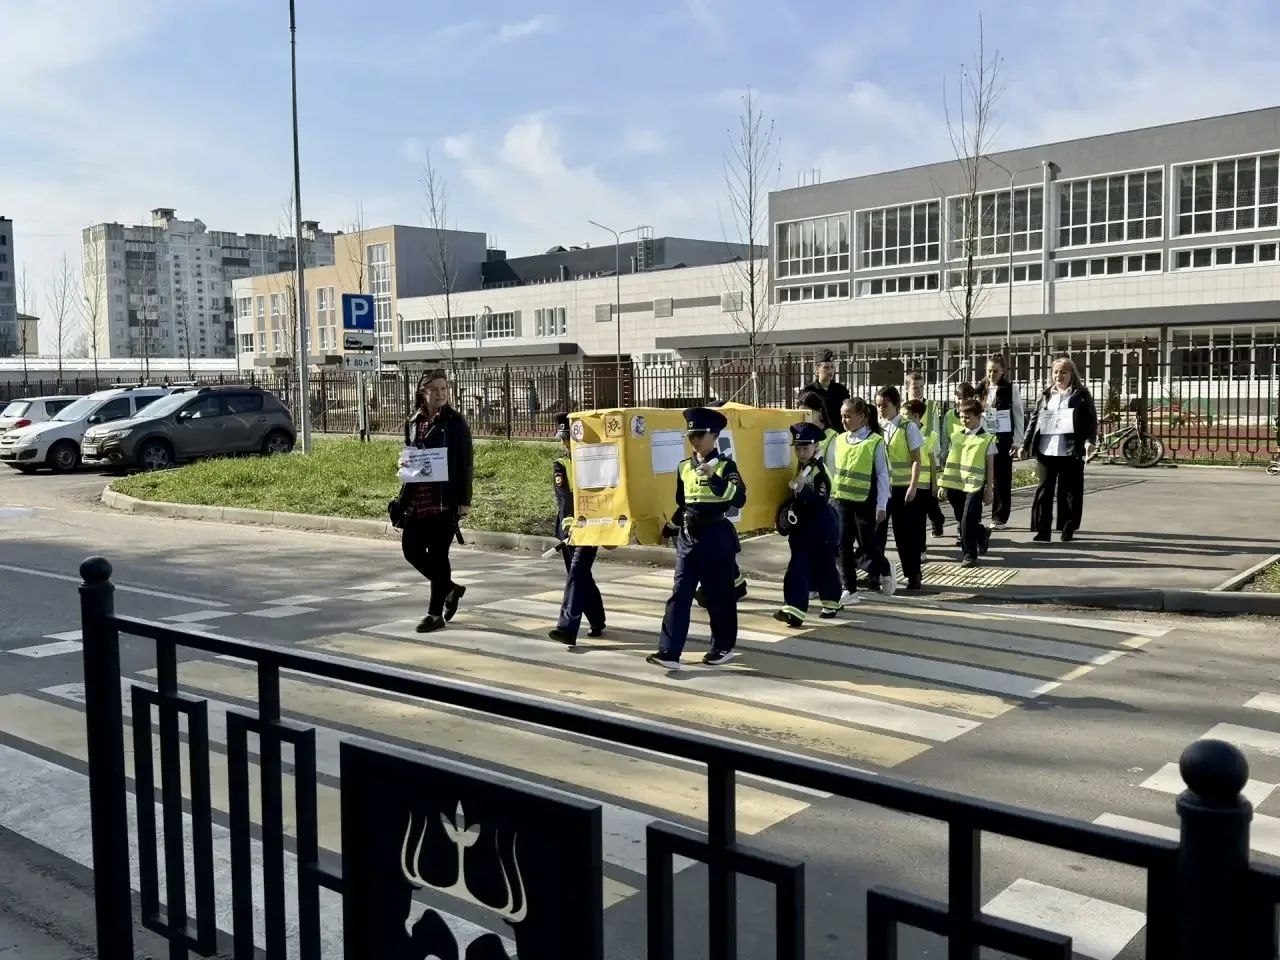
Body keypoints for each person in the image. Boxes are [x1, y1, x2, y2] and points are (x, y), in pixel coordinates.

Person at [648, 407, 746, 670]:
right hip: (688, 538)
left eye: (700, 435)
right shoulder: (683, 467)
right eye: (691, 435)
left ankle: (723, 646)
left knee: (719, 596)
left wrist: (714, 477)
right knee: (679, 594)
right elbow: (684, 505)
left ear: (714, 435)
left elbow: (738, 499)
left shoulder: (726, 466)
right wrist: (670, 527)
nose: (695, 440)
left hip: (716, 537)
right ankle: (669, 652)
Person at [397, 369, 473, 633]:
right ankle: (450, 588)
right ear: (422, 392)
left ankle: (434, 613)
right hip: (418, 499)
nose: (441, 394)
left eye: (444, 388)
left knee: (440, 556)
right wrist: (404, 464)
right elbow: (411, 456)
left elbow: (465, 462)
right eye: (435, 389)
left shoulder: (455, 422)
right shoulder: (414, 421)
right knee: (411, 551)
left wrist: (464, 500)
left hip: (444, 500)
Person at [1021, 356, 1098, 543]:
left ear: (1072, 374)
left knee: (1069, 492)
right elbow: (1034, 420)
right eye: (1056, 372)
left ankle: (1067, 527)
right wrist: (1025, 444)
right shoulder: (1046, 395)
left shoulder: (1081, 395)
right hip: (1046, 449)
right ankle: (1042, 530)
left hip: (1070, 450)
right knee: (1044, 491)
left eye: (1063, 371)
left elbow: (1090, 422)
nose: (1059, 375)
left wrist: (1089, 442)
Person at [775, 421, 841, 626]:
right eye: (798, 448)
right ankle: (793, 608)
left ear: (815, 447)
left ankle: (831, 601)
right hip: (802, 527)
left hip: (822, 526)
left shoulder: (819, 471)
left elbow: (821, 500)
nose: (801, 452)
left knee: (824, 566)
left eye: (805, 448)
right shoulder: (801, 467)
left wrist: (803, 490)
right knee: (798, 566)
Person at [548, 413, 606, 646]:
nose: (566, 444)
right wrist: (569, 523)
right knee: (582, 576)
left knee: (577, 573)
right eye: (563, 440)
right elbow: (564, 498)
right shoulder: (562, 464)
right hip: (568, 528)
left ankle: (567, 627)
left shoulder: (597, 460)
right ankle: (597, 620)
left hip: (590, 527)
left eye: (569, 439)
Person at [829, 397, 891, 605]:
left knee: (868, 545)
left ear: (862, 417)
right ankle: (849, 588)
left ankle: (884, 568)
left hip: (865, 502)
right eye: (842, 417)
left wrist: (882, 505)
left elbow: (883, 475)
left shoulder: (875, 442)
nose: (844, 421)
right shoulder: (838, 440)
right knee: (841, 544)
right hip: (841, 500)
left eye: (848, 416)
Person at [876, 386, 925, 592]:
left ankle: (913, 574)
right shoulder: (878, 428)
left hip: (903, 488)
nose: (881, 409)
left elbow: (916, 459)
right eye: (878, 405)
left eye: (884, 405)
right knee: (877, 532)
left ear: (896, 405)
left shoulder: (908, 427)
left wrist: (913, 485)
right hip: (883, 488)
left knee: (904, 534)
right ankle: (875, 572)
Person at [939, 398, 995, 568]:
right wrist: (944, 484)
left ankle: (970, 555)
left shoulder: (987, 439)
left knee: (966, 521)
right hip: (956, 486)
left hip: (974, 486)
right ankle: (981, 532)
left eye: (968, 417)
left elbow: (990, 466)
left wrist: (989, 489)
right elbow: (950, 462)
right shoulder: (956, 436)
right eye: (962, 417)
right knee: (962, 519)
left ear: (978, 417)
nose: (964, 420)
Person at [977, 355, 1024, 529]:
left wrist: (1017, 441)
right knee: (980, 478)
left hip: (1003, 439)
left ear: (1003, 371)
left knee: (1001, 479)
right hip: (983, 438)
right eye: (989, 370)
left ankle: (999, 516)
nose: (992, 374)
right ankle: (976, 515)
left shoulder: (1011, 389)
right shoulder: (980, 388)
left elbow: (1019, 415)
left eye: (996, 371)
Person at [905, 371, 946, 538]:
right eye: (915, 387)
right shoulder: (904, 408)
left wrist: (937, 457)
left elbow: (935, 430)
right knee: (919, 502)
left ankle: (937, 520)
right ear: (907, 388)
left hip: (928, 457)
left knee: (930, 499)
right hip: (911, 459)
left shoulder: (931, 406)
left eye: (921, 387)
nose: (919, 390)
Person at [903, 398, 939, 567]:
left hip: (924, 485)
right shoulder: (902, 432)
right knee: (910, 520)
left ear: (916, 417)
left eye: (906, 416)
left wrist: (935, 483)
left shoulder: (929, 436)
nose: (903, 419)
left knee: (920, 520)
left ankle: (921, 549)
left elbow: (932, 462)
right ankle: (913, 548)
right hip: (908, 483)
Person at [802, 350, 851, 437]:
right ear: (817, 370)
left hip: (839, 434)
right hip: (818, 434)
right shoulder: (809, 391)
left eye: (832, 367)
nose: (830, 371)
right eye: (826, 367)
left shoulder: (841, 390)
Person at [798, 389, 840, 464]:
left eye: (808, 414)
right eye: (801, 415)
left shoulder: (832, 437)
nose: (805, 419)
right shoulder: (800, 436)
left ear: (820, 412)